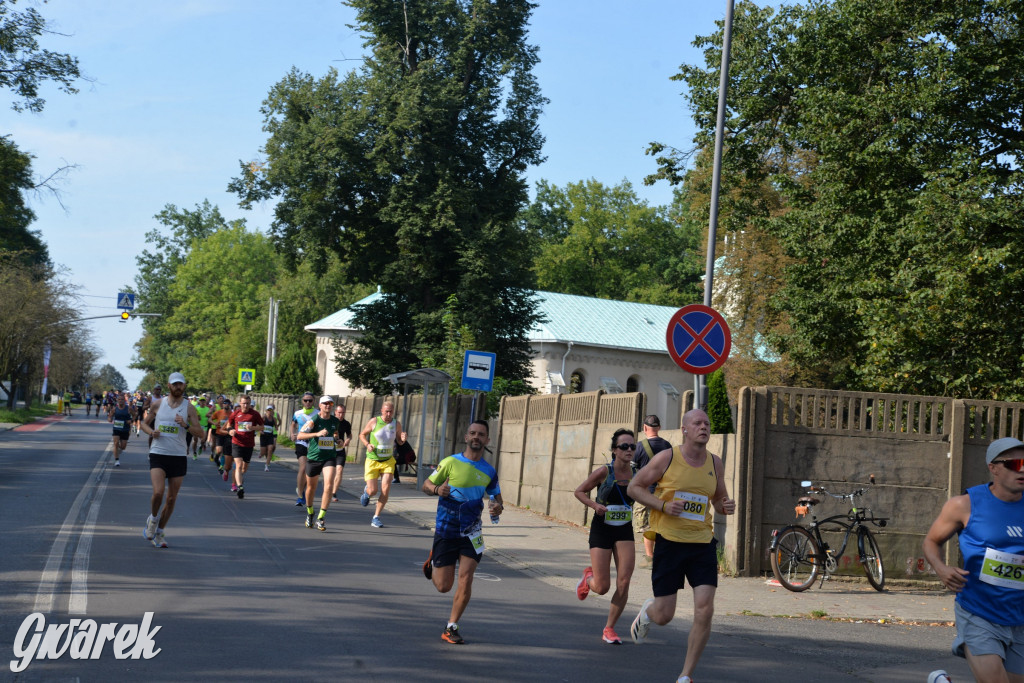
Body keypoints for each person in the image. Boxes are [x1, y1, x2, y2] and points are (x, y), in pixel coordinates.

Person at [626, 409, 736, 683]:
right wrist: (663, 505)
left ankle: (686, 676)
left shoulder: (716, 462)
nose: (704, 427)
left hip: (702, 544)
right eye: (697, 423)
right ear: (685, 429)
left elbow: (719, 499)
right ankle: (649, 612)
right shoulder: (667, 457)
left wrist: (725, 505)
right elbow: (635, 488)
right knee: (664, 616)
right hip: (670, 543)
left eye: (707, 423)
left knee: (705, 608)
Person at [923, 436, 1024, 683]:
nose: (1022, 469)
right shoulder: (964, 505)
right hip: (979, 611)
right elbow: (931, 541)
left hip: (1019, 614)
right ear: (994, 467)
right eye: (1015, 463)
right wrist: (941, 569)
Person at [421, 421, 502, 645]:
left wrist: (497, 508)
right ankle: (432, 560)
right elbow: (426, 484)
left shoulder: (489, 471)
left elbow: (497, 500)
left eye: (481, 435)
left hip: (471, 532)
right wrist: (438, 489)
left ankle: (452, 626)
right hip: (446, 530)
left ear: (487, 440)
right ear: (466, 437)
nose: (477, 437)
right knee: (443, 586)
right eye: (473, 433)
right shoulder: (450, 462)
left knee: (466, 577)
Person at [574, 428, 638, 644]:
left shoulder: (637, 474)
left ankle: (609, 628)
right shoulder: (604, 472)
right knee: (602, 588)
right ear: (614, 450)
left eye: (632, 446)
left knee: (625, 580)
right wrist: (595, 505)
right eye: (624, 446)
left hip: (624, 529)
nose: (629, 450)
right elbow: (579, 491)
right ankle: (587, 579)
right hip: (602, 527)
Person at [140, 372, 205, 548]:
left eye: (181, 384)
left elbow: (201, 433)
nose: (178, 387)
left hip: (178, 456)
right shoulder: (158, 404)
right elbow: (144, 424)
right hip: (158, 453)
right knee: (158, 492)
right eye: (175, 384)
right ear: (169, 385)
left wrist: (185, 425)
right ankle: (153, 520)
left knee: (171, 499)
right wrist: (151, 432)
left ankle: (160, 532)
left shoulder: (189, 408)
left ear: (184, 386)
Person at [358, 400, 407, 528]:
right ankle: (367, 492)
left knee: (385, 489)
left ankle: (376, 517)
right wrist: (367, 444)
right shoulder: (374, 421)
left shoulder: (397, 424)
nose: (389, 414)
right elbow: (362, 434)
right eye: (386, 411)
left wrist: (402, 440)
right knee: (373, 490)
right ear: (382, 411)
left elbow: (399, 442)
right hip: (373, 460)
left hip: (388, 461)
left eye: (391, 411)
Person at [633, 414, 672, 569]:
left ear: (644, 428)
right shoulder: (667, 446)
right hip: (663, 493)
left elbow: (632, 469)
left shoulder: (639, 447)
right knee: (661, 525)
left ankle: (650, 558)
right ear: (659, 428)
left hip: (644, 493)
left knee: (646, 527)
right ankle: (662, 556)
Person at [298, 396, 341, 531]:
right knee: (311, 488)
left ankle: (321, 517)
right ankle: (310, 513)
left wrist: (337, 440)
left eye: (330, 403)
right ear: (320, 406)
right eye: (325, 403)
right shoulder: (314, 420)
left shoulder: (335, 421)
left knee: (328, 485)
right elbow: (300, 435)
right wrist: (316, 434)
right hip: (314, 457)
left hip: (329, 457)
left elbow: (335, 433)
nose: (328, 405)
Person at [227, 395, 263, 498]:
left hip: (249, 444)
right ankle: (240, 487)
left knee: (244, 467)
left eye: (247, 403)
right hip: (237, 442)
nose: (246, 405)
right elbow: (229, 425)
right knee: (238, 465)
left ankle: (240, 478)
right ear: (240, 403)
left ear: (250, 403)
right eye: (244, 403)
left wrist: (253, 427)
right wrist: (231, 431)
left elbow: (262, 426)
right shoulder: (236, 414)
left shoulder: (255, 414)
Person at [290, 392, 317, 507]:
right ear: (302, 401)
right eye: (305, 400)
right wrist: (292, 434)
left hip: (313, 443)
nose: (307, 402)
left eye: (310, 400)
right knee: (303, 467)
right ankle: (300, 495)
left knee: (309, 470)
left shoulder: (318, 413)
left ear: (313, 401)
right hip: (301, 442)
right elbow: (293, 424)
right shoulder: (297, 413)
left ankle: (302, 488)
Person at [328, 403, 352, 502]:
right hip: (329, 450)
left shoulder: (346, 424)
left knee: (339, 470)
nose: (341, 415)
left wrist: (347, 440)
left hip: (340, 450)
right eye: (339, 413)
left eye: (343, 413)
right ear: (335, 412)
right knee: (330, 473)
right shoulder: (330, 421)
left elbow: (350, 435)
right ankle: (327, 489)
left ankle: (333, 493)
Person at [108, 392, 135, 467]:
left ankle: (118, 450)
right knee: (116, 443)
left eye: (122, 399)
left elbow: (135, 415)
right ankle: (117, 460)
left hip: (125, 429)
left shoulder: (128, 408)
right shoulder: (114, 409)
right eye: (119, 399)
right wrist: (110, 419)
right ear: (117, 400)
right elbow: (110, 416)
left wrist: (131, 420)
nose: (120, 401)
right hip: (116, 428)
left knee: (123, 447)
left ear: (124, 400)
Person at [209, 398, 233, 479]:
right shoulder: (219, 412)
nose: (226, 405)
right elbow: (209, 419)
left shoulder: (232, 414)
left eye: (227, 403)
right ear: (222, 405)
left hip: (227, 434)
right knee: (219, 450)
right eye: (224, 403)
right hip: (219, 433)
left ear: (230, 405)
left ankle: (221, 466)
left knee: (224, 452)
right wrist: (214, 423)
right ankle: (216, 457)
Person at [259, 404, 278, 471]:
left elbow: (276, 426)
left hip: (270, 436)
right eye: (268, 410)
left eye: (271, 410)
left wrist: (276, 427)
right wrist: (260, 430)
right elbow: (259, 425)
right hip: (263, 436)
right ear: (266, 411)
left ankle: (266, 465)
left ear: (272, 411)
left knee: (270, 449)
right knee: (263, 452)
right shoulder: (263, 418)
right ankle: (261, 453)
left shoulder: (274, 419)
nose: (269, 411)